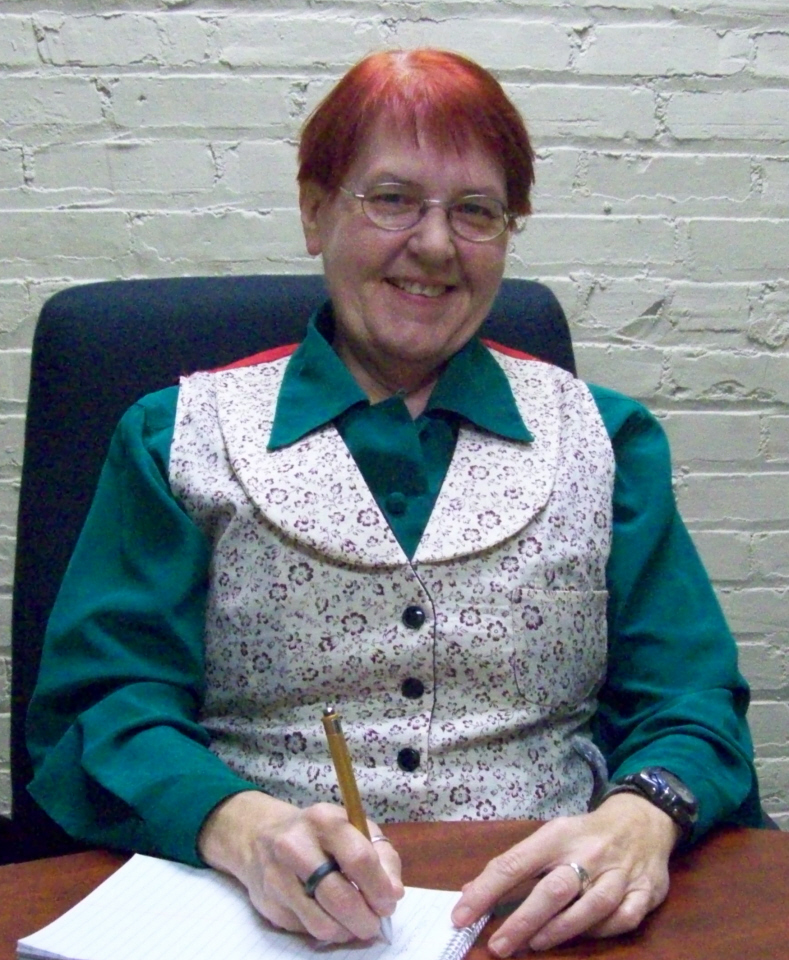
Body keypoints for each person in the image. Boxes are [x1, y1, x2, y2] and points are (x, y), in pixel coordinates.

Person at [26, 49, 761, 956]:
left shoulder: (607, 441)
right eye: (392, 199)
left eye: (476, 211)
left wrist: (642, 816)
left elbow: (688, 699)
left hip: (543, 921)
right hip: (254, 921)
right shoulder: (173, 436)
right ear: (314, 212)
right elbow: (104, 702)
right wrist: (239, 827)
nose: (436, 245)